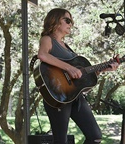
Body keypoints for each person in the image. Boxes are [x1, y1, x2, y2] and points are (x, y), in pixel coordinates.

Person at [37, 8, 119, 144]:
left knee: (95, 136)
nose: (71, 24)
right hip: (58, 96)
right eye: (67, 20)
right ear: (55, 21)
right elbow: (42, 55)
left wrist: (105, 68)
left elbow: (81, 76)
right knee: (60, 141)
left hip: (76, 97)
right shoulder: (48, 39)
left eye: (72, 21)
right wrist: (69, 68)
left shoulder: (67, 47)